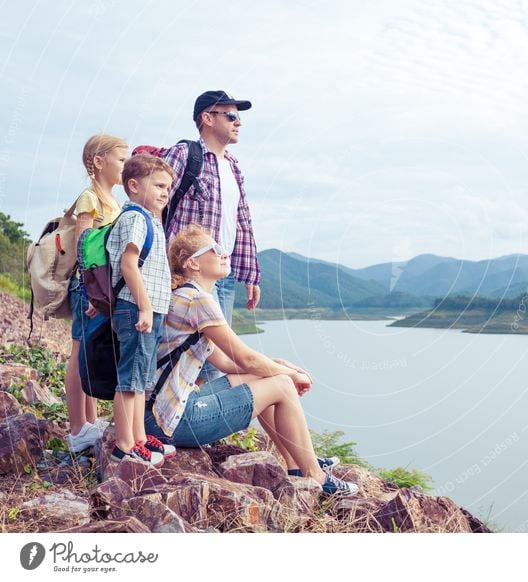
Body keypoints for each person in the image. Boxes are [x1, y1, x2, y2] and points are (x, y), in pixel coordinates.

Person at [143, 225, 358, 496]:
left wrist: (279, 364)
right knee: (281, 385)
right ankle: (316, 476)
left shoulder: (188, 295)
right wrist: (291, 375)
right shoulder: (197, 299)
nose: (224, 253)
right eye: (215, 249)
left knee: (269, 378)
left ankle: (297, 464)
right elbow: (244, 358)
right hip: (171, 421)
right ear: (193, 263)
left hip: (159, 413)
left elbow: (227, 362)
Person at [161, 90, 261, 324]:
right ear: (207, 118)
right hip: (190, 271)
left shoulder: (233, 166)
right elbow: (151, 204)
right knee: (203, 353)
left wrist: (251, 274)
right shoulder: (184, 154)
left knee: (214, 354)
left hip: (222, 273)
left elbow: (242, 222)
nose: (238, 122)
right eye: (231, 115)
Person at [106, 154, 177, 466]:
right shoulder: (135, 218)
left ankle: (137, 437)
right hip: (137, 307)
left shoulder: (151, 219)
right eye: (159, 185)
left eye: (168, 187)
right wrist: (146, 308)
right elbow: (129, 265)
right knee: (131, 378)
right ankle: (125, 445)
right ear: (133, 186)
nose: (165, 192)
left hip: (148, 308)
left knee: (141, 378)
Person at [65, 135, 128, 453]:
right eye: (120, 159)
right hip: (88, 285)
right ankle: (77, 428)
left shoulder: (112, 200)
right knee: (78, 352)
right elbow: (84, 243)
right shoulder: (90, 197)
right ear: (99, 162)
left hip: (98, 287)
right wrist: (93, 289)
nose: (125, 165)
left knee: (88, 350)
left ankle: (88, 421)